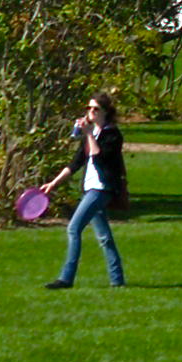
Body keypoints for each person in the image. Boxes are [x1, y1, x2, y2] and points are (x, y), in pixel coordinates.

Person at [41, 93, 128, 289]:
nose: (91, 112)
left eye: (95, 109)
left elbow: (100, 158)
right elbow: (75, 163)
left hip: (102, 189)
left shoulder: (112, 135)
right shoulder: (92, 134)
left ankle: (66, 278)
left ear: (105, 112)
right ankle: (117, 280)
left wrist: (89, 134)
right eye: (88, 108)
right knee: (104, 237)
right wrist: (53, 183)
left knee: (73, 228)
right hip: (90, 188)